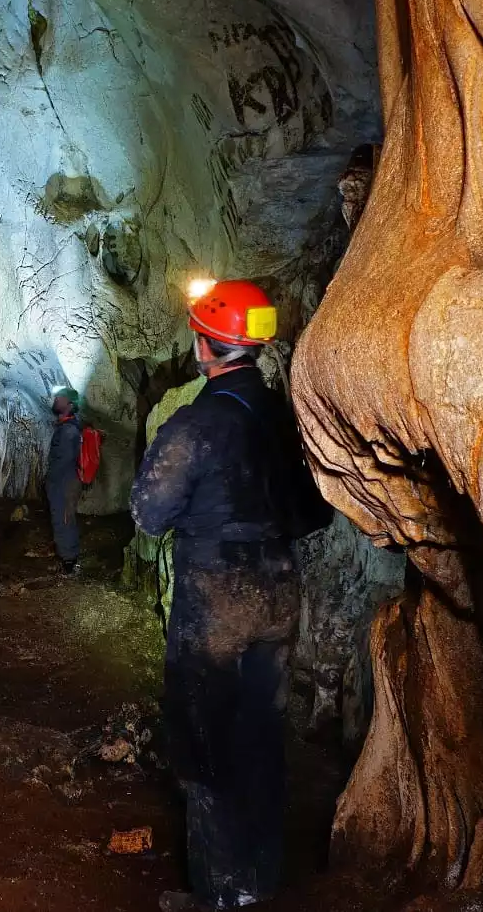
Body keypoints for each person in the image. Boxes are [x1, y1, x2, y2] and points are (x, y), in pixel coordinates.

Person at [130, 280, 331, 911]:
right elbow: (313, 512)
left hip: (215, 595)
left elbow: (148, 512)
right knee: (262, 735)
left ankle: (219, 895)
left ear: (204, 346)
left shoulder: (196, 422)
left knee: (206, 741)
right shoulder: (285, 420)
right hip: (277, 593)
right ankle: (261, 884)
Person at [46, 387, 85, 575]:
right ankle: (67, 558)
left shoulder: (69, 430)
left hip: (65, 481)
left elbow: (64, 459)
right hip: (63, 480)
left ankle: (70, 563)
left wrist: (51, 480)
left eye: (60, 398)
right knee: (62, 518)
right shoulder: (67, 427)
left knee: (64, 519)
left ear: (69, 404)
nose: (56, 400)